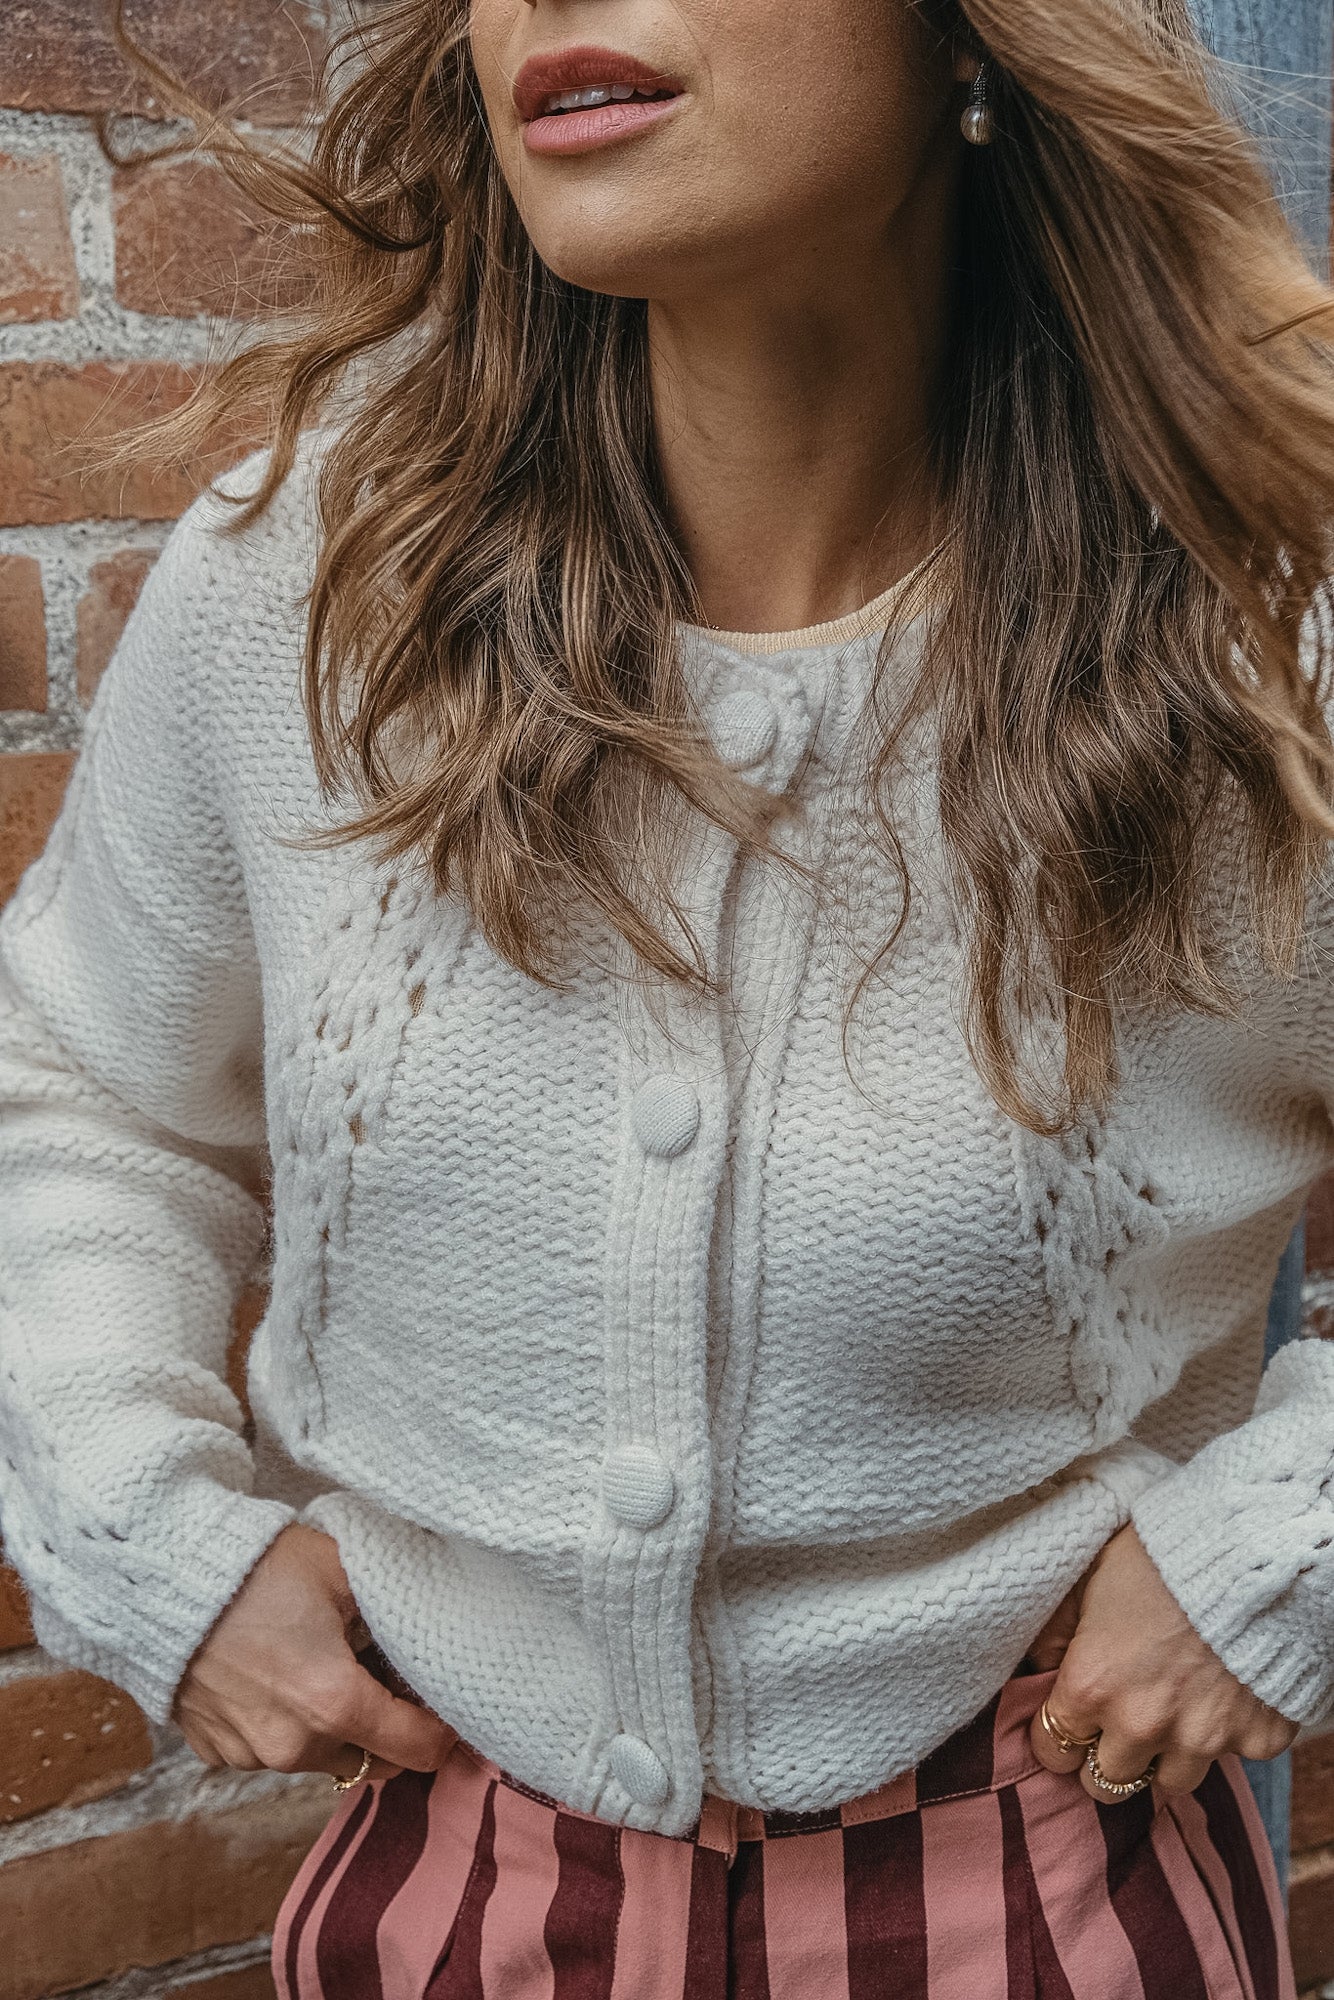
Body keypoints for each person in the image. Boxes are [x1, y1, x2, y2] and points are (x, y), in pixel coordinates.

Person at [2, 0, 1333, 1992]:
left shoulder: (1257, 631)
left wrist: (1273, 1545)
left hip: (1046, 1893)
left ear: (969, 38)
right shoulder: (302, 592)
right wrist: (141, 1525)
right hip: (448, 1897)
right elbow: (87, 1088)